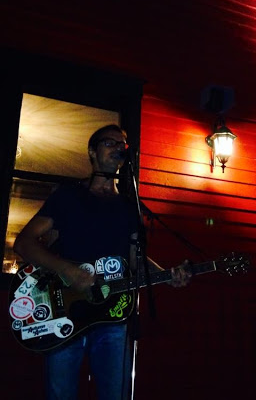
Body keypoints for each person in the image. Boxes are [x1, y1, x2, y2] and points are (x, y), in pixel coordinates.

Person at [13, 124, 191, 400]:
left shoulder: (128, 207)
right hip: (65, 312)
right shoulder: (68, 196)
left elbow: (134, 259)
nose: (118, 148)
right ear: (92, 152)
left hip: (113, 315)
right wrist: (68, 270)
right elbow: (24, 243)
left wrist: (167, 275)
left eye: (122, 145)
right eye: (110, 143)